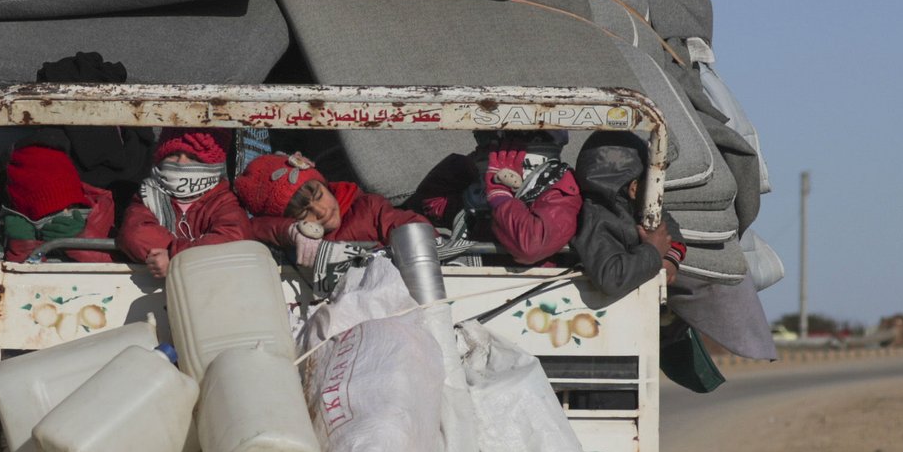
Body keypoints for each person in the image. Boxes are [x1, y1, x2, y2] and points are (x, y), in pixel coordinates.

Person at [406, 131, 581, 266]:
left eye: (495, 139)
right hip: (475, 287)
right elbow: (431, 205)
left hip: (531, 293)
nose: (487, 146)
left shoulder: (558, 185)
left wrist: (500, 196)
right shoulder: (479, 190)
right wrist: (463, 165)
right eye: (485, 139)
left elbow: (530, 247)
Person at [233, 152, 428, 268]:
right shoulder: (301, 240)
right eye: (304, 213)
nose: (320, 211)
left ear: (325, 185)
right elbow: (251, 228)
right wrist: (289, 231)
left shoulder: (368, 208)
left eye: (319, 196)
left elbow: (410, 227)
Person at [116, 127, 250, 278]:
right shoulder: (147, 194)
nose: (182, 163)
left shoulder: (223, 200)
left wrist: (175, 258)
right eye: (173, 155)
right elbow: (135, 234)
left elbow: (232, 239)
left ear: (211, 164)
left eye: (193, 157)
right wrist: (185, 256)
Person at [570, 131, 686, 299]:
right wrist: (653, 251)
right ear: (634, 188)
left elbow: (667, 227)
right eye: (650, 182)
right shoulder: (596, 221)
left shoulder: (642, 208)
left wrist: (670, 258)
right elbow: (611, 278)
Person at [1, 135, 117, 263]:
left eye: (73, 207)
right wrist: (22, 247)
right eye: (50, 214)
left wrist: (83, 241)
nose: (65, 214)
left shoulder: (102, 216)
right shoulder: (9, 229)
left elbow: (121, 265)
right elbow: (12, 274)